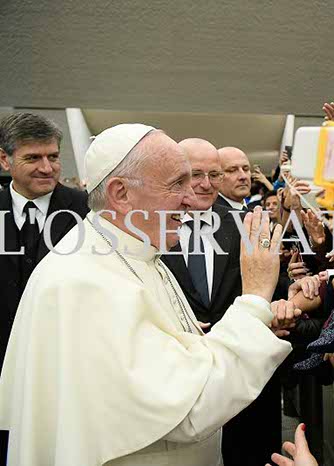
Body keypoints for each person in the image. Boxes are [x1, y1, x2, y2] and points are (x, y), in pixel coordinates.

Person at [0, 124, 292, 466]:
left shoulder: (135, 251)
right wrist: (254, 299)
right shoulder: (84, 282)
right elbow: (189, 407)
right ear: (121, 193)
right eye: (177, 183)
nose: (191, 198)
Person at [162, 138, 286, 466]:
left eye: (214, 175)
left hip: (245, 386)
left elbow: (277, 290)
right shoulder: (148, 227)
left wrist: (281, 307)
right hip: (181, 383)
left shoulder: (251, 226)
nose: (206, 184)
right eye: (196, 174)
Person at [0, 112, 89, 462]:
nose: (47, 168)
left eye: (53, 156)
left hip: (65, 366)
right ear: (5, 159)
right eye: (33, 158)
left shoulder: (87, 211)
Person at [216, 146, 251, 211]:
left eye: (245, 169)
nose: (243, 176)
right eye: (232, 170)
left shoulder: (258, 212)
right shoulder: (209, 214)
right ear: (215, 176)